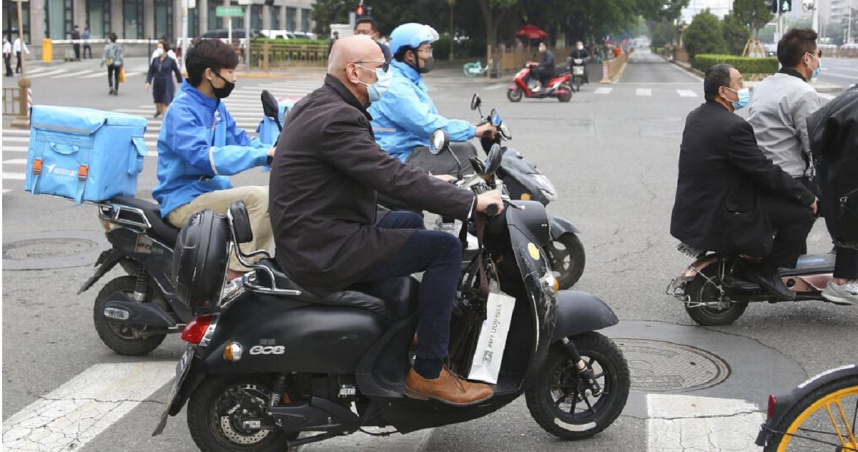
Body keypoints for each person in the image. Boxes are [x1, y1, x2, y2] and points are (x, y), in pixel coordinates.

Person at [270, 35, 504, 405]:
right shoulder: (337, 117)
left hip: (318, 230)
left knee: (407, 221)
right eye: (381, 69)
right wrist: (469, 201)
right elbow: (389, 175)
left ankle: (407, 329)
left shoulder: (320, 103)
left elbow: (371, 168)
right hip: (323, 248)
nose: (387, 77)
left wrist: (431, 182)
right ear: (354, 72)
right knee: (443, 248)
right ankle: (428, 372)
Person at [670, 64, 818, 299]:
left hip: (699, 207)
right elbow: (763, 170)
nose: (744, 87)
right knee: (803, 212)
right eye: (739, 83)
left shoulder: (696, 116)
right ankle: (767, 271)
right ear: (723, 92)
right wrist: (806, 195)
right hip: (724, 213)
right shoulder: (733, 127)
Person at [153, 39, 275, 282]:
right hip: (183, 201)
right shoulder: (182, 110)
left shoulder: (216, 106)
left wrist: (278, 150)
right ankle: (234, 276)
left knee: (280, 196)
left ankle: (258, 265)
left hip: (208, 192)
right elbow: (202, 157)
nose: (234, 78)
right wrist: (262, 155)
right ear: (210, 74)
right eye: (230, 71)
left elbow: (242, 141)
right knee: (260, 197)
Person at [368, 22, 495, 177]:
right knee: (463, 156)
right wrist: (472, 131)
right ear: (409, 55)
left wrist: (471, 126)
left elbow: (431, 120)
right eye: (427, 50)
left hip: (409, 149)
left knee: (465, 149)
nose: (430, 56)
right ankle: (471, 201)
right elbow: (424, 124)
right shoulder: (396, 85)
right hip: (397, 157)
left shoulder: (409, 80)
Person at [748, 28, 822, 188]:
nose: (819, 60)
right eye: (818, 54)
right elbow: (813, 145)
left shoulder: (763, 85)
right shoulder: (804, 93)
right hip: (790, 182)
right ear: (807, 59)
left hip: (759, 176)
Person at [807, 85, 858, 305]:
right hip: (846, 180)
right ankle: (841, 282)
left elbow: (814, 126)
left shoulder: (849, 95)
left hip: (831, 173)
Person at [145, 41, 183, 118]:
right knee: (158, 103)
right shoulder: (155, 60)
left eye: (160, 47)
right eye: (158, 47)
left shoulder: (171, 60)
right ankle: (165, 116)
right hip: (157, 83)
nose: (159, 49)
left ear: (165, 48)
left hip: (167, 83)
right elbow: (151, 71)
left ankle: (165, 122)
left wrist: (181, 82)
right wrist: (148, 81)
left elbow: (177, 72)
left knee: (165, 103)